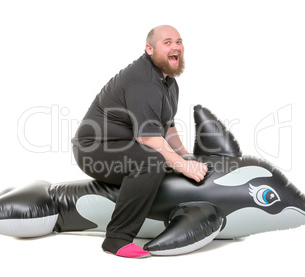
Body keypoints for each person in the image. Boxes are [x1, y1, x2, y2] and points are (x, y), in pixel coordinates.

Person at [72, 25, 208, 258]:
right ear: (149, 49)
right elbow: (148, 137)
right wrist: (183, 165)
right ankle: (116, 239)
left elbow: (167, 125)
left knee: (166, 160)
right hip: (94, 149)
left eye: (178, 41)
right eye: (167, 42)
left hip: (126, 147)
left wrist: (185, 155)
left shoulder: (168, 82)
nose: (175, 46)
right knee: (153, 161)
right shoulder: (143, 82)